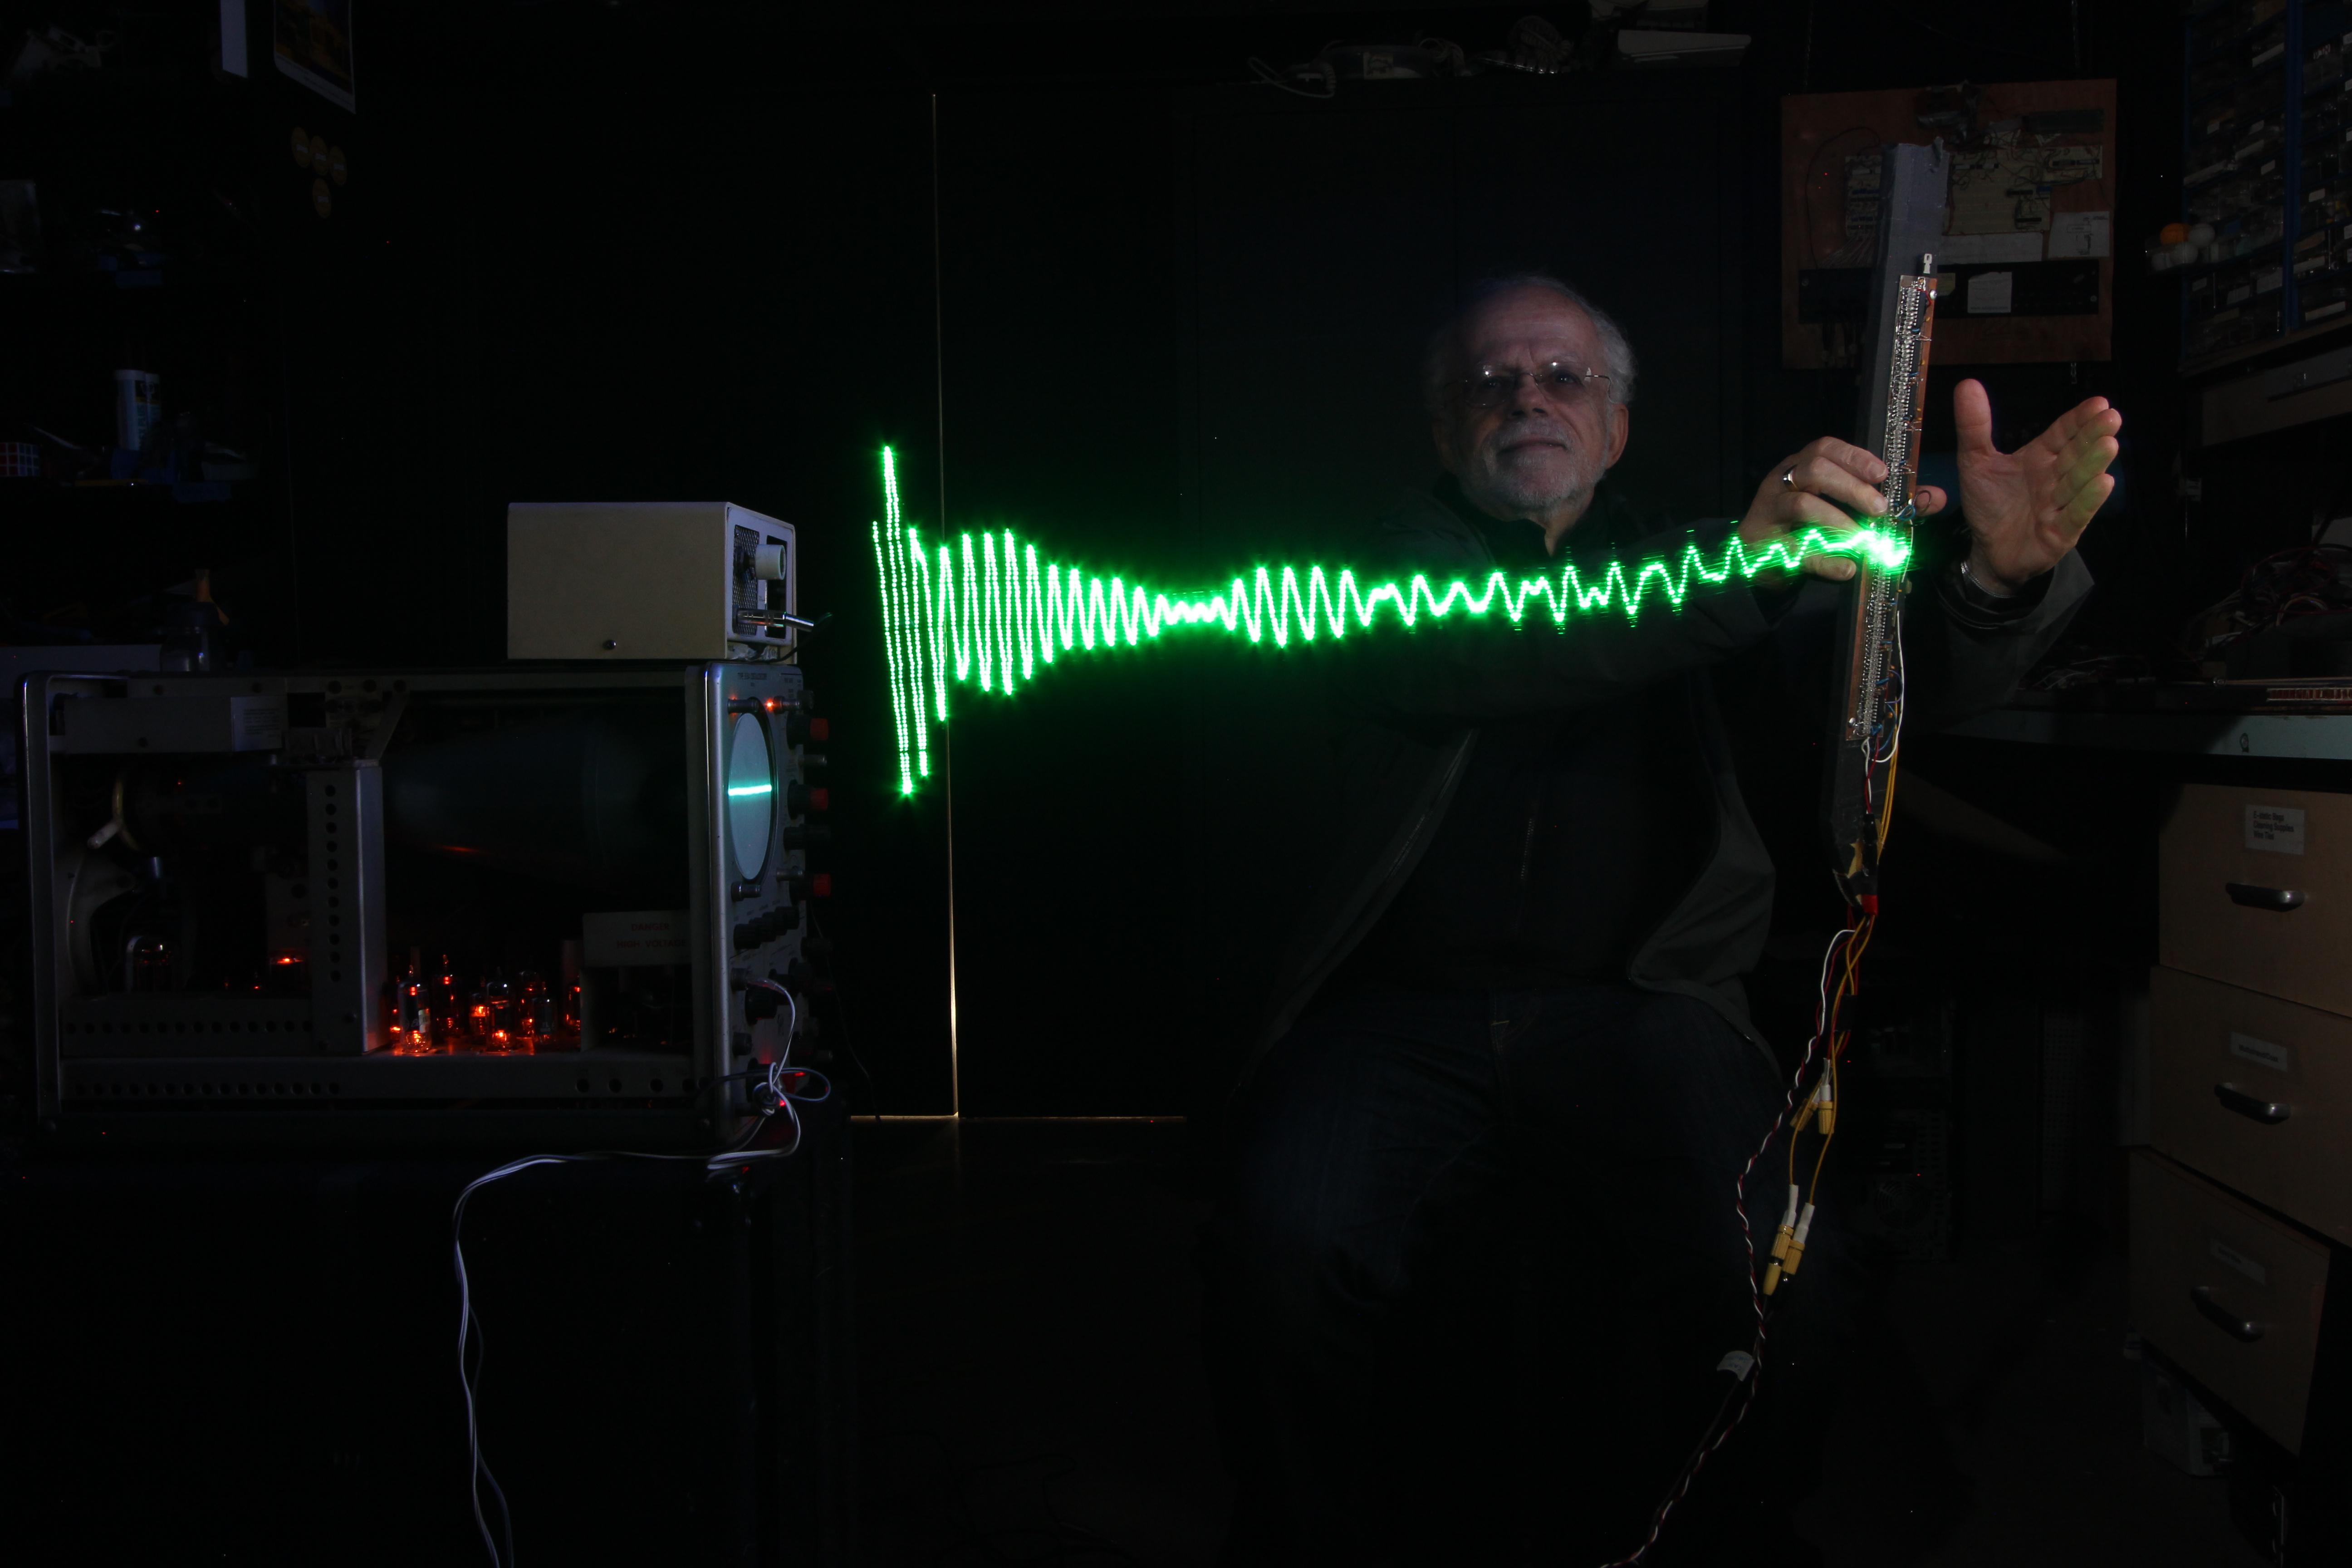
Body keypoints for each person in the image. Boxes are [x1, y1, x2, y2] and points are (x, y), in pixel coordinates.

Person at [1201, 274, 2120, 1565]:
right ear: (1443, 430)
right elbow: (1498, 649)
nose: (1528, 398)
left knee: (1785, 1281)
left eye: (1563, 377)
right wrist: (1736, 575)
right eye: (1491, 380)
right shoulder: (1385, 570)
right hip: (1397, 1017)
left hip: (1644, 1011)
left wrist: (1993, 585)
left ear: (1618, 427)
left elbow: (1890, 682)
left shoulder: (1714, 557)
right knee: (1282, 1253)